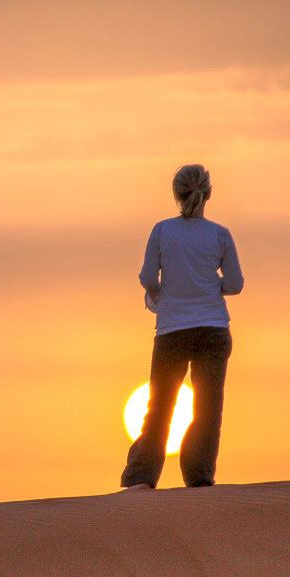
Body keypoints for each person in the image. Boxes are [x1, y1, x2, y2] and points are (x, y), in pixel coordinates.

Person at [121, 164, 244, 490]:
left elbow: (147, 278)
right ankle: (199, 478)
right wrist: (208, 285)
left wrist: (166, 293)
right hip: (213, 330)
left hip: (173, 331)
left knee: (160, 407)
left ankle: (141, 479)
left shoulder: (162, 231)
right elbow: (235, 283)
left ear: (176, 194)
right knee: (208, 409)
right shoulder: (220, 234)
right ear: (208, 194)